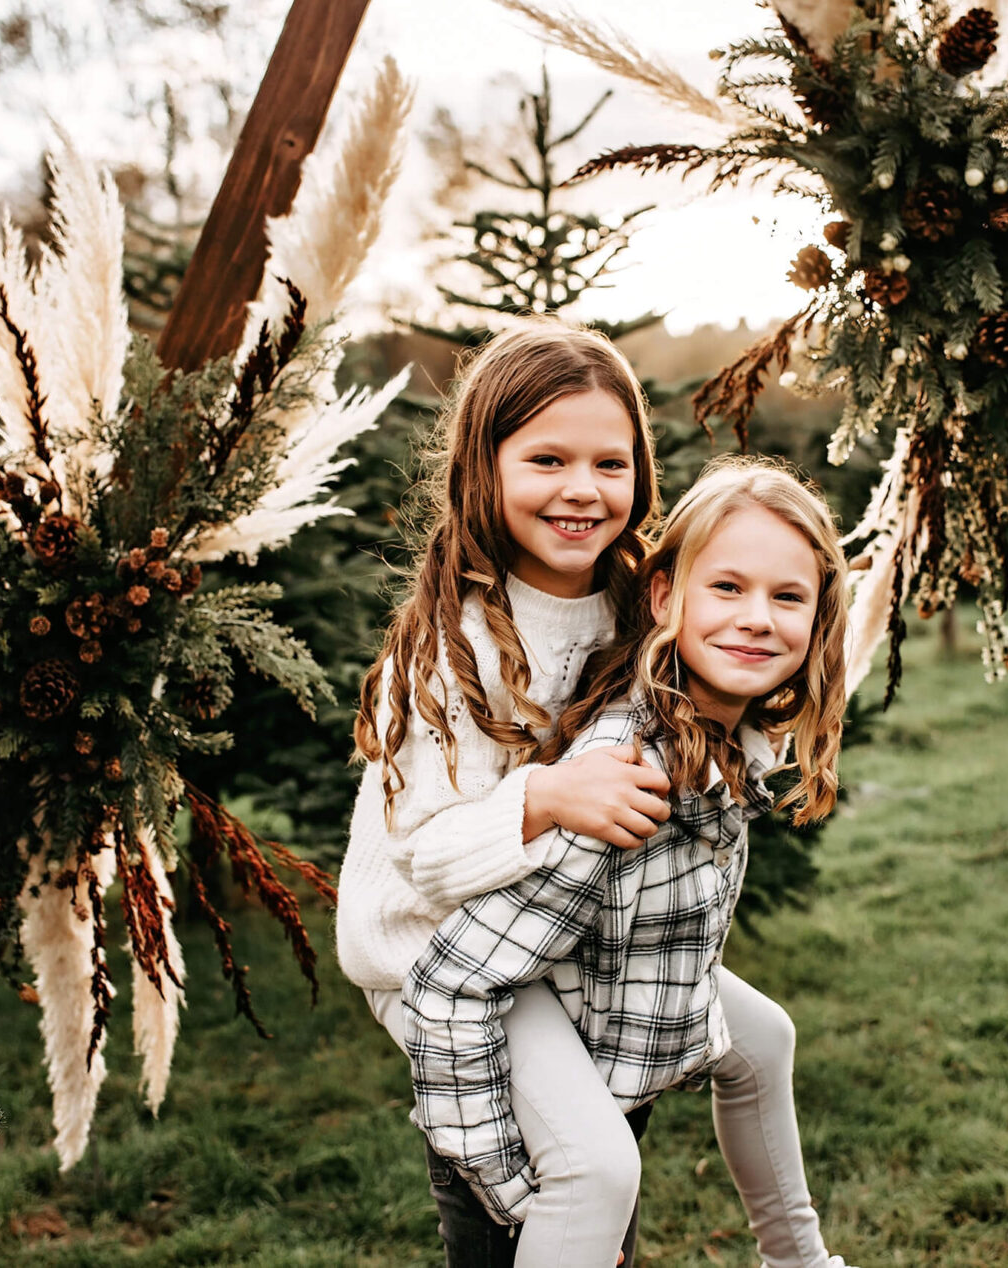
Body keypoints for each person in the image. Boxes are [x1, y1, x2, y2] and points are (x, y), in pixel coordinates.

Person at [403, 457, 852, 1268]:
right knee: (598, 1178)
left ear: (818, 622)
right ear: (663, 597)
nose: (757, 618)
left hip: (601, 989)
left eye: (788, 598)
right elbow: (452, 983)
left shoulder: (725, 735)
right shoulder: (627, 780)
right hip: (503, 1073)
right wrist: (519, 1197)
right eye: (727, 588)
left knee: (763, 1039)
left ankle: (800, 1261)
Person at [336, 318, 675, 1266]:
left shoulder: (634, 602)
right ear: (485, 469)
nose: (582, 489)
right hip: (439, 959)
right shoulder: (448, 647)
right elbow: (430, 857)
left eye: (611, 463)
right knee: (563, 1179)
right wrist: (550, 795)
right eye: (548, 459)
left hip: (553, 938)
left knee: (614, 1173)